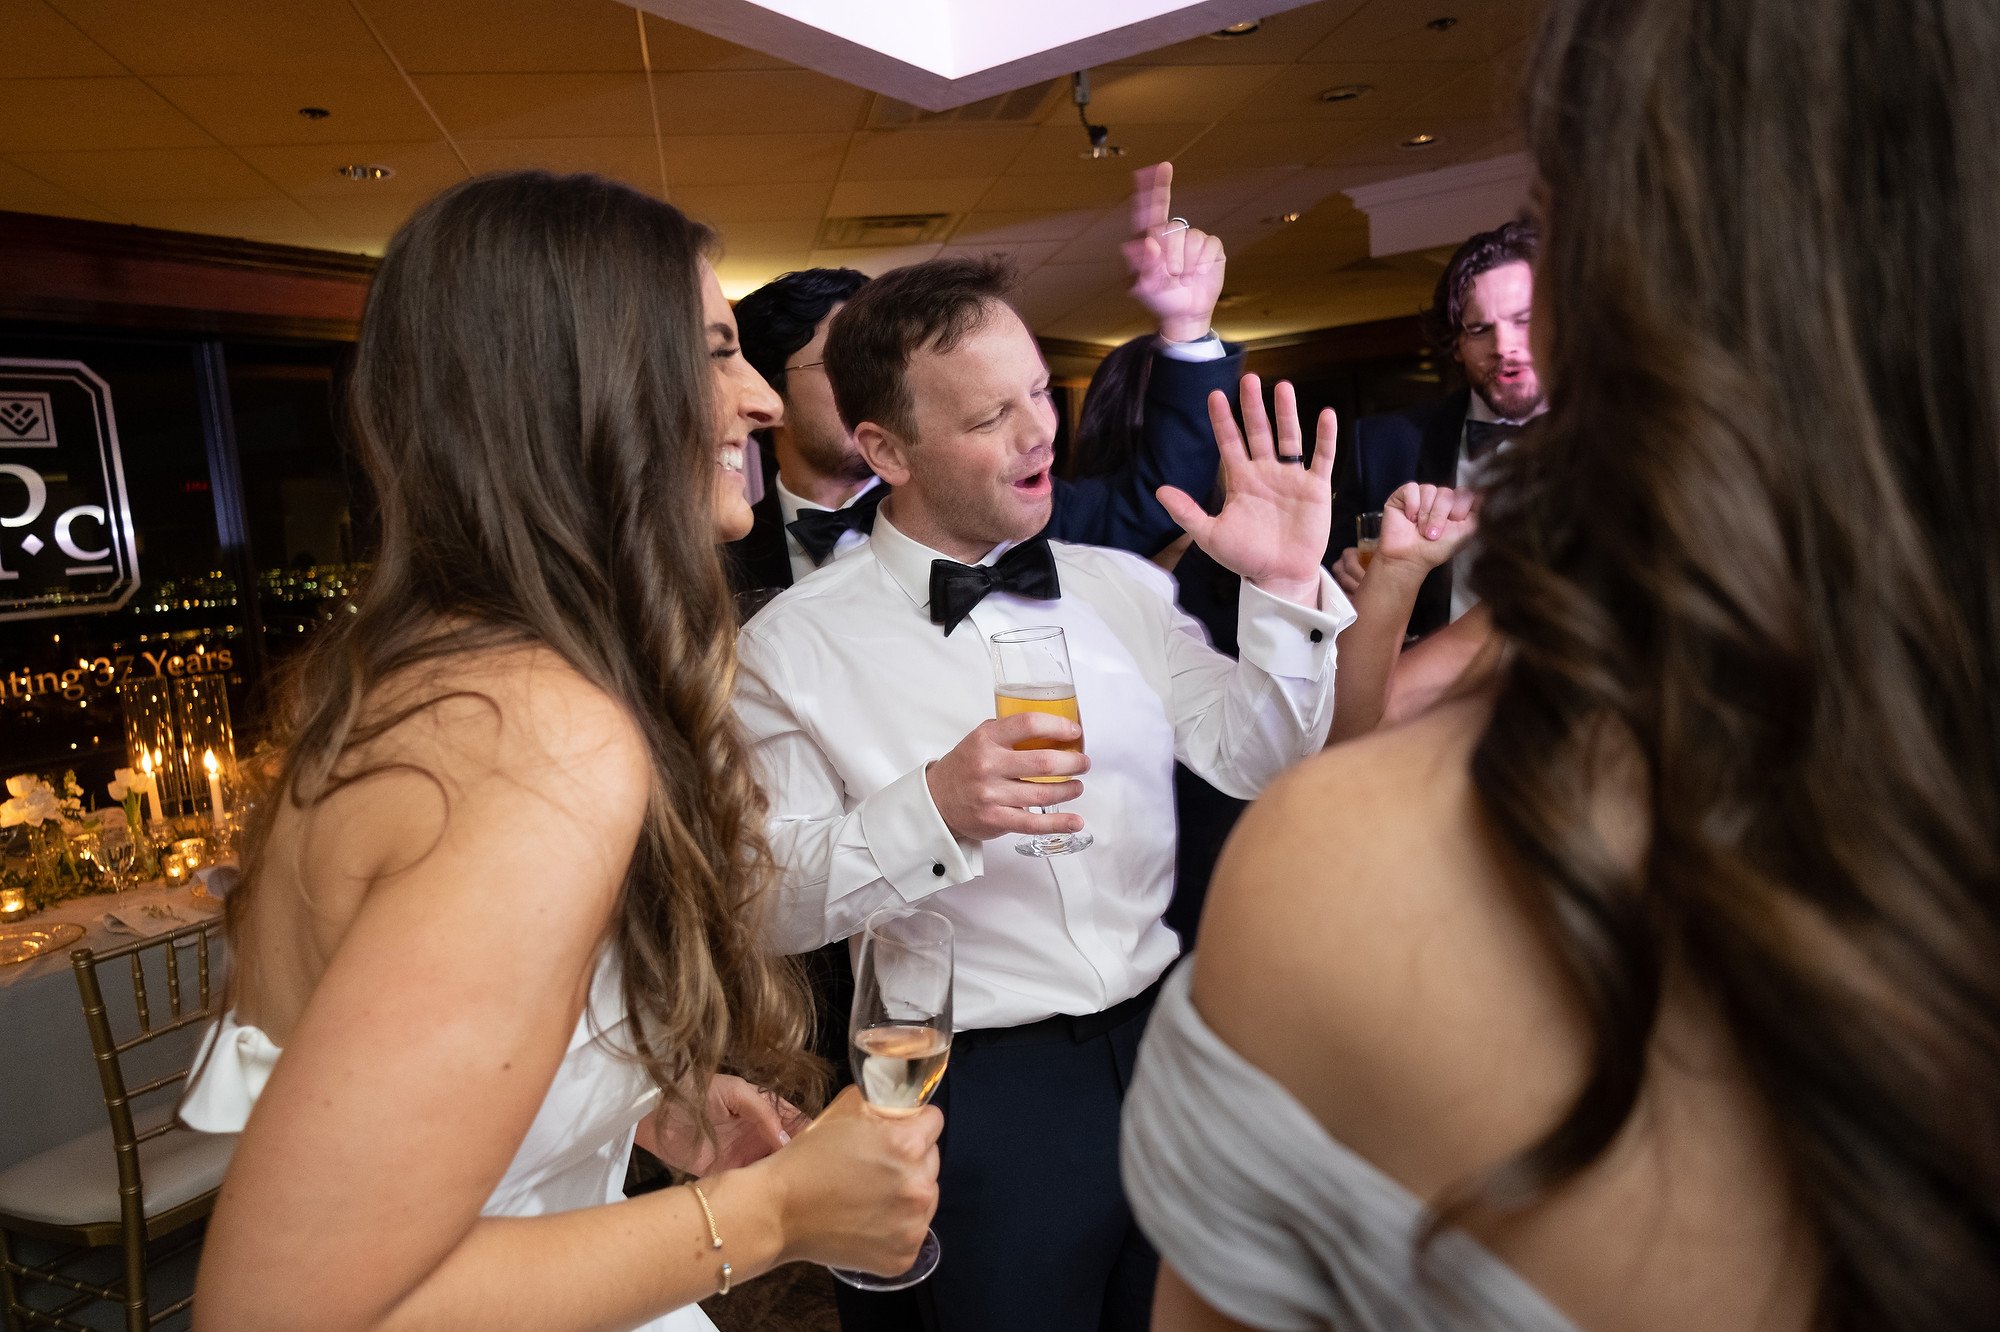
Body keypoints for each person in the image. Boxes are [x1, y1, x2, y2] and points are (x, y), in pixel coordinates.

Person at [1122, 0, 2000, 1327]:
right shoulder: (1437, 509)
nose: (1512, 347)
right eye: (1482, 325)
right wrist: (1357, 587)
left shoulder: (1345, 877)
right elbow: (1353, 710)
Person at [181, 172, 942, 1332]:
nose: (759, 401)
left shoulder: (432, 679)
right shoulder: (534, 738)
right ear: (584, 391)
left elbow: (377, 1107)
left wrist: (633, 1103)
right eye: (714, 349)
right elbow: (291, 1312)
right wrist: (780, 1213)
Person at [734, 256, 1352, 1332]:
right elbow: (764, 904)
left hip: (1173, 1053)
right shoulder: (789, 647)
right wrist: (928, 808)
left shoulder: (1120, 587)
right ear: (885, 450)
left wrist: (1286, 590)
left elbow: (1265, 759)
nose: (1038, 434)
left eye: (1037, 394)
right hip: (978, 1099)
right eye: (989, 416)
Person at [726, 162, 1241, 598]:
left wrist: (1187, 328)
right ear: (769, 396)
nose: (872, 385)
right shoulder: (720, 560)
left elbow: (1159, 499)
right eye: (838, 367)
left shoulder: (996, 500)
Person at [1327, 218, 1544, 638]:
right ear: (1456, 347)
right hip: (1429, 692)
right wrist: (1341, 576)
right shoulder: (1383, 445)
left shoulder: (1627, 433)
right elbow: (1329, 574)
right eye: (1480, 330)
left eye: (1525, 320)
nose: (1505, 347)